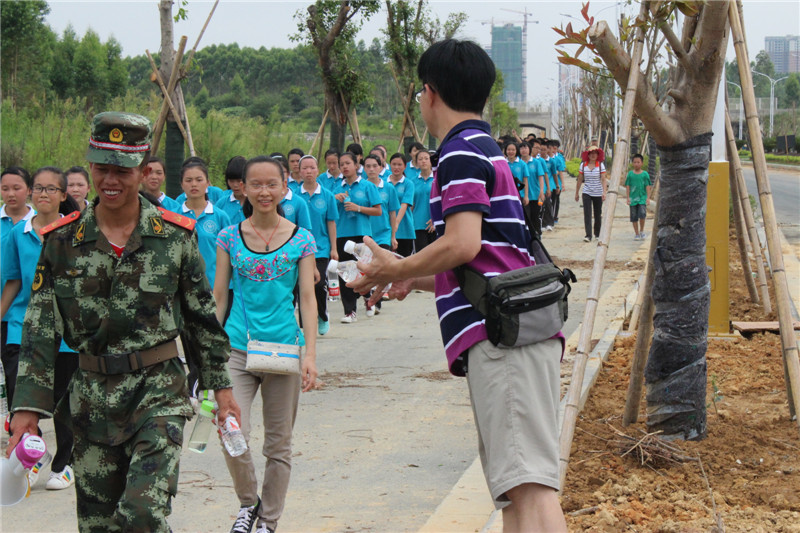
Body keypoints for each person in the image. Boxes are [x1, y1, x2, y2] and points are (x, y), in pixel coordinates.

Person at [349, 39, 567, 532]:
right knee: (516, 493)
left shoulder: (459, 153)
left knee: (531, 490)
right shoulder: (482, 149)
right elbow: (487, 258)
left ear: (429, 93)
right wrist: (415, 279)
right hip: (509, 333)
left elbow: (463, 243)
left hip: (503, 341)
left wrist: (394, 269)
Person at [7, 112, 240, 532]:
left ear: (144, 169)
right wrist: (26, 408)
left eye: (122, 170)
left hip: (158, 393)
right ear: (90, 166)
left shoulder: (175, 237)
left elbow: (200, 319)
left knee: (142, 514)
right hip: (90, 401)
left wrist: (220, 389)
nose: (110, 180)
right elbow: (39, 329)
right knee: (99, 526)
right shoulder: (61, 242)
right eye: (102, 168)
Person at [213, 156, 318, 533]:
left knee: (278, 444)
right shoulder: (228, 237)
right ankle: (248, 502)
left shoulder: (301, 239)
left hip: (284, 351)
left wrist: (310, 355)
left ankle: (268, 521)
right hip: (237, 349)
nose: (263, 191)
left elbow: (307, 298)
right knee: (231, 431)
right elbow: (219, 297)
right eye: (255, 184)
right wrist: (209, 354)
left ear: (284, 187)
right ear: (242, 188)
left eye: (271, 184)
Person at [1, 167, 81, 491]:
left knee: (63, 401)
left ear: (63, 195)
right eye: (38, 188)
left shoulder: (76, 232)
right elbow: (13, 281)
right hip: (23, 327)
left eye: (51, 189)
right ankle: (30, 457)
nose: (43, 194)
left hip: (66, 332)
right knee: (20, 400)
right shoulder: (17, 234)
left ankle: (64, 463)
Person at [332, 152, 382, 323]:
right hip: (342, 234)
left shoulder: (367, 186)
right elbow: (329, 212)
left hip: (362, 234)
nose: (344, 167)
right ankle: (349, 311)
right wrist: (334, 199)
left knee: (363, 270)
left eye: (348, 163)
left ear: (356, 165)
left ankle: (368, 297)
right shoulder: (336, 188)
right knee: (345, 272)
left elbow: (378, 211)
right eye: (341, 164)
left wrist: (358, 208)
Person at [297, 155, 339, 335]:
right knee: (300, 286)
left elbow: (331, 222)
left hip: (320, 248)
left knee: (318, 283)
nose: (308, 171)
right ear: (299, 172)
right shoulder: (293, 196)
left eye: (312, 168)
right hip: (298, 249)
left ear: (318, 170)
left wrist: (334, 248)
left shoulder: (327, 195)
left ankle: (322, 316)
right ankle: (303, 324)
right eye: (305, 168)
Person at [1, 166, 34, 392]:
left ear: (29, 190)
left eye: (16, 188)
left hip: (25, 313)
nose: (11, 194)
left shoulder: (39, 224)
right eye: (5, 189)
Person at [387, 153, 416, 257]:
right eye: (394, 164)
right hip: (386, 229)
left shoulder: (408, 184)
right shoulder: (383, 183)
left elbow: (404, 205)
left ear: (405, 166)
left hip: (404, 229)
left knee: (404, 260)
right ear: (390, 165)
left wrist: (396, 223)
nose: (396, 167)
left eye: (399, 165)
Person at [576, 145, 607, 242]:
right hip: (587, 192)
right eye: (591, 153)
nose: (593, 155)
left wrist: (604, 192)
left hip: (598, 192)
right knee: (587, 214)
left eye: (595, 153)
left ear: (598, 155)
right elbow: (580, 179)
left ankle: (597, 233)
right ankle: (588, 235)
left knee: (598, 214)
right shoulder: (583, 165)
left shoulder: (600, 165)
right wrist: (577, 192)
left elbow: (603, 179)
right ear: (588, 155)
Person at [520, 142, 546, 236]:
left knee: (536, 216)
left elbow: (541, 177)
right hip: (522, 195)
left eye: (526, 148)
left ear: (530, 149)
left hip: (536, 194)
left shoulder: (536, 162)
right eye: (521, 148)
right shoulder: (518, 163)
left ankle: (538, 235)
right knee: (526, 217)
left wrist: (541, 191)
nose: (524, 150)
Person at [412, 149, 436, 252]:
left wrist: (436, 218)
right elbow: (411, 204)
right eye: (420, 159)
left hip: (434, 224)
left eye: (426, 158)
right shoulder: (412, 182)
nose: (423, 161)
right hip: (418, 224)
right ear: (416, 162)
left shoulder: (437, 179)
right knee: (421, 255)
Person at [625, 153, 652, 240]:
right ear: (632, 163)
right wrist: (628, 197)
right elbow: (628, 186)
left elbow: (647, 186)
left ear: (642, 163)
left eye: (638, 162)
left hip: (642, 198)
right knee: (634, 217)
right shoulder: (630, 174)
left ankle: (642, 231)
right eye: (635, 162)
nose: (636, 164)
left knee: (642, 214)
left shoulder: (645, 174)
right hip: (633, 199)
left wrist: (648, 198)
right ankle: (636, 233)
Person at [215, 155, 248, 226]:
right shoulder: (222, 203)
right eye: (231, 181)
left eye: (239, 181)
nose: (235, 185)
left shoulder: (255, 203)